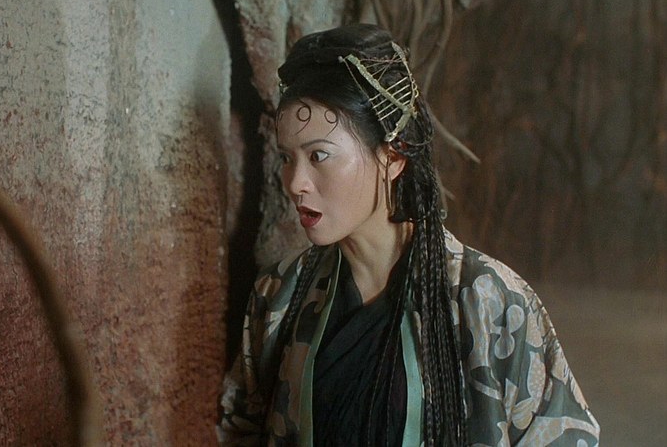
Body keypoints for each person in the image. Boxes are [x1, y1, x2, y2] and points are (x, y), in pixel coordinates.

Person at [217, 24, 600, 446]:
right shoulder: (280, 294)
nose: (295, 183)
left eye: (319, 155)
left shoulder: (487, 299)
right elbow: (240, 431)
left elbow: (565, 436)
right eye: (288, 158)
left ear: (393, 155)